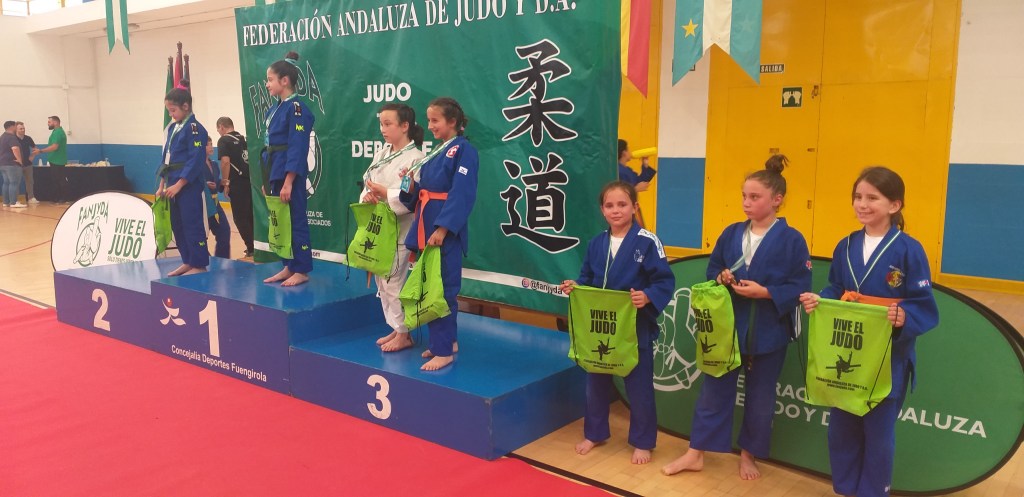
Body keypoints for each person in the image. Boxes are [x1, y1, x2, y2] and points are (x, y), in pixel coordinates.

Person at [662, 154, 811, 479]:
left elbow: (801, 285)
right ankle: (695, 452)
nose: (746, 203)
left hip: (769, 331)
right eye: (744, 196)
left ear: (777, 199)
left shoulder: (792, 240)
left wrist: (766, 292)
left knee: (760, 399)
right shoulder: (732, 233)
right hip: (727, 330)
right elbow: (713, 268)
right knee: (713, 392)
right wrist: (722, 277)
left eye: (755, 197)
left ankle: (748, 455)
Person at [798, 166, 938, 497]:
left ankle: (874, 492)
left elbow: (923, 304)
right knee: (841, 430)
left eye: (872, 198)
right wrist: (821, 300)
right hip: (847, 352)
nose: (862, 204)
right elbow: (835, 287)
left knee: (878, 434)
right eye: (858, 197)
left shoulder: (909, 249)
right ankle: (846, 488)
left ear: (894, 205)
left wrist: (904, 316)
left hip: (886, 357)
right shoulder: (845, 245)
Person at [559, 181, 674, 465]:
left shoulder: (648, 241)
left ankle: (643, 441)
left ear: (635, 207)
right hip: (601, 326)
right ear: (602, 210)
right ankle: (595, 433)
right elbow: (587, 278)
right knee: (595, 382)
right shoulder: (597, 243)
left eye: (622, 204)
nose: (616, 210)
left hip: (635, 326)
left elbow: (664, 280)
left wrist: (647, 296)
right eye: (609, 205)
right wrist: (576, 286)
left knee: (639, 386)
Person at [398, 97, 478, 371]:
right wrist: (409, 184)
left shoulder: (464, 151)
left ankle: (443, 351)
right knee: (431, 284)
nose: (430, 125)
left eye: (435, 120)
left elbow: (462, 193)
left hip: (443, 230)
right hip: (426, 224)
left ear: (452, 121)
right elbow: (420, 194)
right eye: (429, 120)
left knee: (442, 288)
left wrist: (443, 228)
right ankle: (446, 341)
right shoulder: (436, 152)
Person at [363, 103, 426, 353]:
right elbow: (368, 182)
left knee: (393, 281)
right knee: (382, 280)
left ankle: (404, 333)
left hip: (401, 228)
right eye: (381, 124)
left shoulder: (416, 158)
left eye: (388, 124)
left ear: (405, 126)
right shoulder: (382, 153)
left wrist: (385, 193)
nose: (383, 129)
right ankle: (396, 327)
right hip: (379, 225)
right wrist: (369, 194)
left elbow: (411, 197)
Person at [261, 51, 315, 287]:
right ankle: (288, 265)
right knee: (281, 221)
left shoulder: (297, 109)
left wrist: (289, 181)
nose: (267, 84)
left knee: (296, 219)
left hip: (289, 173)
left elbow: (297, 147)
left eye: (270, 80)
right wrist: (267, 179)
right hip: (275, 170)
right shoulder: (275, 109)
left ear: (284, 81)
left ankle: (301, 269)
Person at [159, 81, 210, 276]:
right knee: (177, 224)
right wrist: (162, 184)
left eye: (173, 110)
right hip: (171, 183)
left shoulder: (195, 129)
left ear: (186, 106)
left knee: (191, 223)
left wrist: (180, 184)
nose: (171, 115)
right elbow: (166, 158)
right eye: (169, 111)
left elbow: (195, 160)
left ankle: (199, 263)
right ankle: (187, 260)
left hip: (187, 185)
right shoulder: (173, 128)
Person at [216, 116, 255, 258]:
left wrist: (226, 182)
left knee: (239, 217)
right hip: (249, 182)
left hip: (237, 183)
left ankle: (251, 247)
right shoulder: (244, 139)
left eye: (218, 130)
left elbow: (225, 162)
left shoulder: (224, 140)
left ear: (221, 127)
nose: (219, 132)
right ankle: (257, 245)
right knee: (250, 215)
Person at [204, 138, 231, 258]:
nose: (211, 147)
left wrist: (222, 182)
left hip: (215, 204)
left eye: (211, 144)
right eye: (207, 145)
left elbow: (216, 181)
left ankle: (221, 259)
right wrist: (205, 185)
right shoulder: (196, 165)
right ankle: (203, 259)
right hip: (203, 204)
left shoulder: (214, 164)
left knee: (224, 231)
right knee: (201, 236)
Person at [37, 116, 68, 203]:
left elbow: (54, 147)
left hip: (57, 160)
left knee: (59, 180)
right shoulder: (56, 131)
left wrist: (41, 151)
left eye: (49, 122)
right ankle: (58, 198)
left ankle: (61, 198)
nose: (48, 124)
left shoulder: (58, 132)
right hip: (56, 159)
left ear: (56, 122)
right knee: (57, 179)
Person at [1, 121, 26, 208]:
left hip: (3, 164)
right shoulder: (11, 137)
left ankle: (6, 202)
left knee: (6, 183)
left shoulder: (2, 136)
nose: (16, 127)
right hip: (12, 164)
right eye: (15, 126)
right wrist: (19, 160)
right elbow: (15, 149)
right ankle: (13, 202)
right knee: (14, 182)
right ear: (11, 127)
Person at [15, 122, 38, 204]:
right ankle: (15, 200)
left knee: (30, 182)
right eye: (20, 129)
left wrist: (32, 157)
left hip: (28, 164)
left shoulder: (28, 138)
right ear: (16, 129)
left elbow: (35, 148)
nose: (23, 130)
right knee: (16, 182)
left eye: (23, 128)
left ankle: (31, 198)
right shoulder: (13, 138)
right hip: (17, 165)